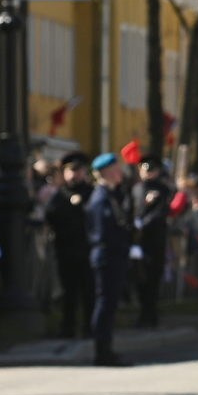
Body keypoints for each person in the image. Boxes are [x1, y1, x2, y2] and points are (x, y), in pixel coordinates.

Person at [85, 152, 135, 367]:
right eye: (116, 169)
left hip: (113, 255)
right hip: (107, 256)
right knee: (105, 304)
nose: (120, 172)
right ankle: (102, 351)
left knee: (109, 303)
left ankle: (106, 349)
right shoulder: (101, 198)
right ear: (107, 172)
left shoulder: (112, 196)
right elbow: (105, 232)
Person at [45, 152, 93, 340]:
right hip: (65, 249)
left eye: (78, 170)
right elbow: (50, 216)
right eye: (70, 171)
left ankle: (89, 326)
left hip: (87, 249)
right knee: (68, 291)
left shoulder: (91, 193)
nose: (74, 175)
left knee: (88, 290)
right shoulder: (59, 195)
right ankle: (68, 326)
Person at [132, 158, 171, 329]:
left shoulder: (162, 189)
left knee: (153, 278)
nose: (148, 173)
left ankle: (151, 313)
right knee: (139, 278)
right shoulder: (135, 189)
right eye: (145, 169)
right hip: (137, 241)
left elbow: (161, 213)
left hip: (154, 241)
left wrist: (143, 222)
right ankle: (142, 313)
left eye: (152, 170)